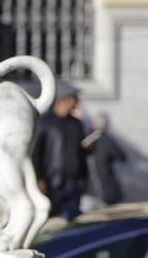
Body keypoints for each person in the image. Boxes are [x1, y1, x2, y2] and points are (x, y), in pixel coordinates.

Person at [33, 81, 89, 220]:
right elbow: (36, 153)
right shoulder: (45, 123)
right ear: (65, 100)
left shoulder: (77, 124)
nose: (77, 102)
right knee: (53, 220)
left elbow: (80, 153)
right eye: (74, 98)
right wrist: (39, 178)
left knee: (73, 221)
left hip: (74, 182)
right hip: (53, 183)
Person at [81, 112, 126, 206]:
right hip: (103, 187)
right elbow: (121, 156)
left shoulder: (87, 136)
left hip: (89, 187)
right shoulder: (103, 139)